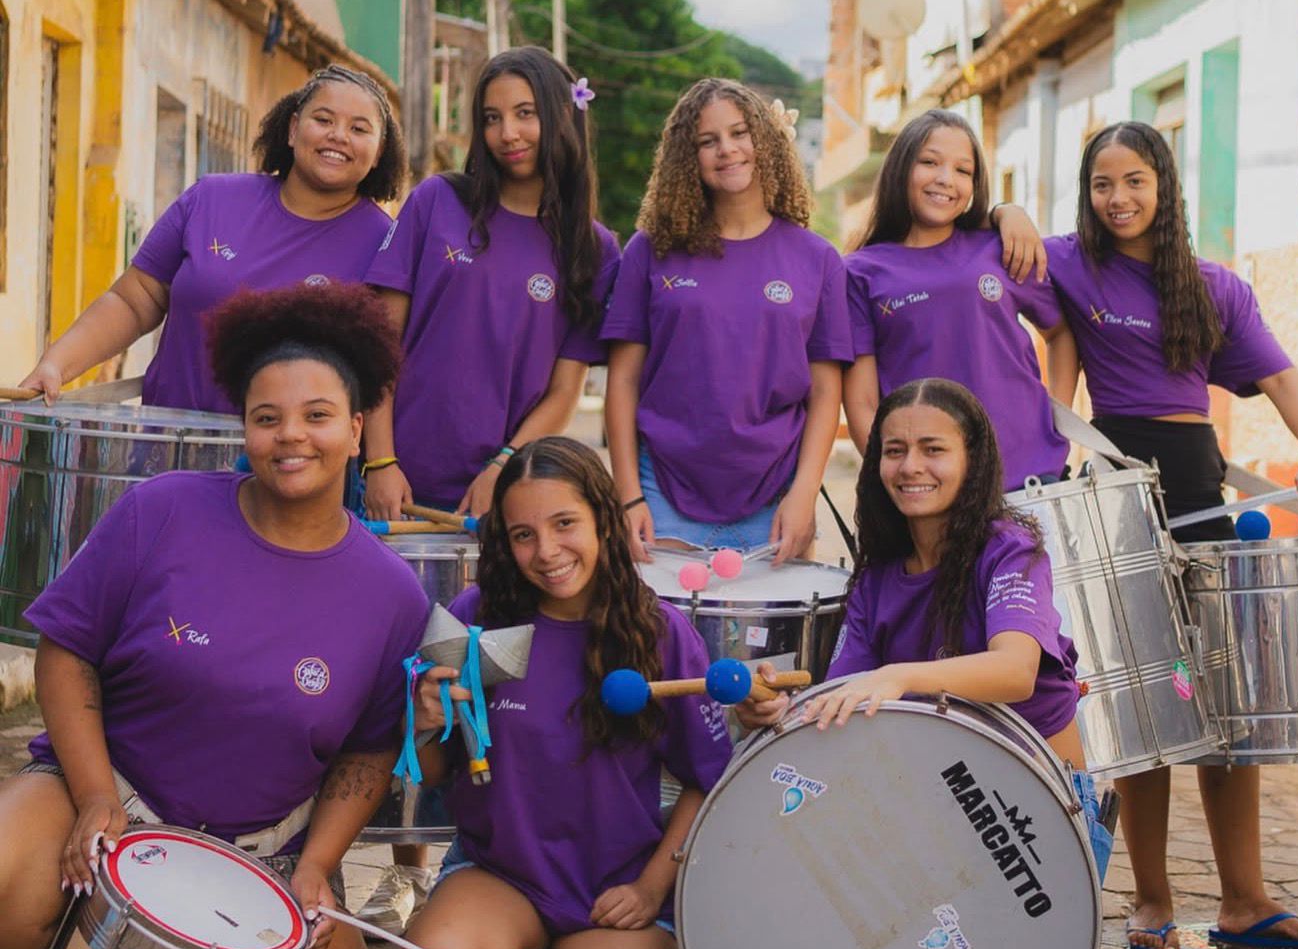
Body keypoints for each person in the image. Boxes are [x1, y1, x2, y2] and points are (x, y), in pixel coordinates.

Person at [0, 282, 430, 949]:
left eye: (317, 415)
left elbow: (369, 752)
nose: (291, 434)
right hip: (106, 790)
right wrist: (95, 798)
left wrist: (319, 865)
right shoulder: (162, 511)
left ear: (356, 429)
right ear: (245, 429)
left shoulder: (394, 596)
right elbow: (68, 650)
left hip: (268, 851)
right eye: (268, 417)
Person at [1046, 121, 1298, 949]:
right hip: (1115, 490)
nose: (1119, 197)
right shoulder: (1069, 262)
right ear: (1086, 195)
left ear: (1164, 185)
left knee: (1226, 701)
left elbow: (1278, 375)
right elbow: (992, 248)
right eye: (1102, 184)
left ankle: (1245, 900)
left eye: (1135, 180)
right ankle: (1151, 900)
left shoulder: (1213, 289)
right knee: (1144, 704)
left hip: (1200, 485)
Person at [402, 437, 733, 949]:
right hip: (501, 875)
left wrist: (651, 889)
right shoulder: (475, 617)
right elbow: (438, 772)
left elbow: (707, 781)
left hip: (618, 886)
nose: (547, 551)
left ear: (603, 519)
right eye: (523, 535)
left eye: (564, 524)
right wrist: (422, 723)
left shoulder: (660, 632)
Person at [738, 378, 1086, 774]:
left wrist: (897, 677)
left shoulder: (1011, 550)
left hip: (1030, 796)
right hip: (929, 784)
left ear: (972, 459)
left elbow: (1016, 671)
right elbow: (846, 691)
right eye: (894, 451)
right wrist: (783, 707)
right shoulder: (874, 579)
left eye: (933, 449)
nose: (910, 467)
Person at [19, 65, 404, 413]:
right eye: (323, 119)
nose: (338, 136)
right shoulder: (211, 199)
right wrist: (55, 366)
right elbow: (134, 301)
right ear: (292, 129)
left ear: (379, 150)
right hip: (168, 453)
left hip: (293, 475)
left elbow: (387, 374)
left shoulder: (389, 246)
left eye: (359, 129)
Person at [363, 46, 619, 522]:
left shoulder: (594, 250)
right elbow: (379, 342)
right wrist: (379, 459)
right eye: (491, 118)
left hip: (501, 498)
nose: (508, 134)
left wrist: (504, 467)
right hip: (391, 483)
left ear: (564, 115)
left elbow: (564, 391)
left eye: (525, 113)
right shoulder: (436, 201)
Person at [603, 78, 852, 566]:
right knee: (661, 642)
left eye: (740, 133)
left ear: (767, 140)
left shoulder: (816, 259)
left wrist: (804, 493)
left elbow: (826, 393)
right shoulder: (650, 250)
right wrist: (628, 494)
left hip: (776, 497)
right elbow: (624, 380)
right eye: (707, 141)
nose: (727, 150)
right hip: (662, 493)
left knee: (772, 645)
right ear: (686, 157)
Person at [843, 109, 1075, 491]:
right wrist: (898, 480)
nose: (945, 179)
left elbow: (1060, 332)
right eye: (929, 162)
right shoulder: (858, 272)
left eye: (963, 170)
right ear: (901, 168)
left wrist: (1057, 421)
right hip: (929, 488)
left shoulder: (1000, 247)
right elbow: (863, 403)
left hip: (1028, 475)